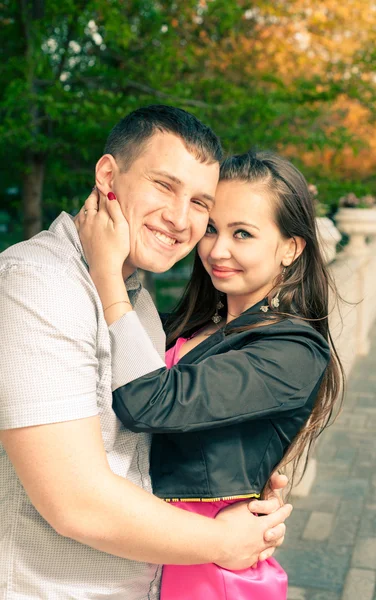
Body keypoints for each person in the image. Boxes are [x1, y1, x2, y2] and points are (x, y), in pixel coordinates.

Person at [0, 106, 291, 600]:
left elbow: (136, 450)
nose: (180, 219)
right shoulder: (40, 285)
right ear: (108, 175)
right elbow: (75, 501)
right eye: (163, 185)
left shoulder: (135, 296)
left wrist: (233, 480)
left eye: (200, 202)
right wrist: (223, 541)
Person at [77, 150, 344, 599]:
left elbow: (151, 402)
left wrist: (105, 271)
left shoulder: (293, 350)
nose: (217, 250)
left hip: (211, 570)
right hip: (158, 548)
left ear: (290, 247)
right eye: (213, 229)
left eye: (243, 233)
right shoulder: (193, 325)